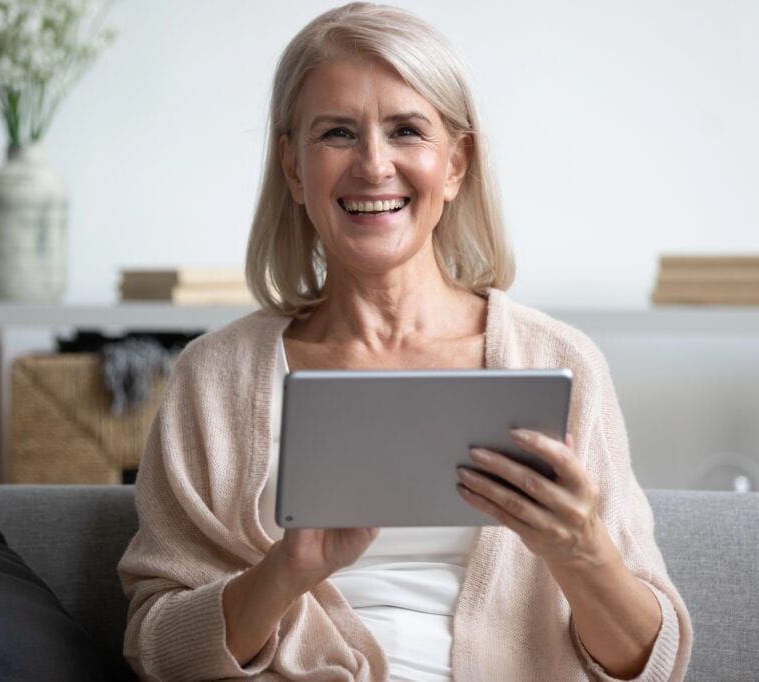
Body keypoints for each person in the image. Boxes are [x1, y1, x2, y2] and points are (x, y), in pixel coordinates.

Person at [118, 3, 692, 680]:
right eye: (336, 133)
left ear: (455, 165)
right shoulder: (214, 379)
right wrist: (286, 571)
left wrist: (582, 551)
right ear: (295, 170)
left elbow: (653, 666)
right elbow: (154, 648)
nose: (373, 165)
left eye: (406, 131)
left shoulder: (558, 363)